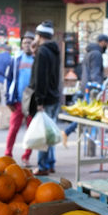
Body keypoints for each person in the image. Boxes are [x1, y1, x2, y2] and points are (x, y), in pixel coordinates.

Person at [29, 21, 61, 176]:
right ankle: (50, 163)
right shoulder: (54, 50)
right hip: (55, 96)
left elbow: (41, 77)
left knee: (43, 134)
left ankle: (42, 166)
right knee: (51, 133)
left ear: (39, 35)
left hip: (45, 98)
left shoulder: (43, 52)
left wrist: (39, 101)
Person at [4, 31, 35, 165]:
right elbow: (9, 79)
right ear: (21, 45)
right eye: (24, 43)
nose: (27, 45)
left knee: (31, 131)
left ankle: (26, 156)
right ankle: (8, 154)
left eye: (29, 42)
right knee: (13, 129)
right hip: (17, 101)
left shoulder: (36, 60)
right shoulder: (16, 60)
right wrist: (8, 99)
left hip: (32, 102)